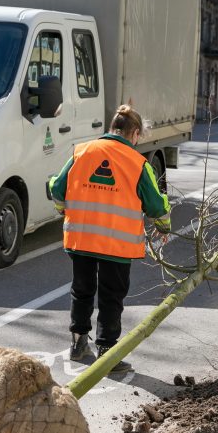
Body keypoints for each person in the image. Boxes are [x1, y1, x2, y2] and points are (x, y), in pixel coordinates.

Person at [48, 104, 171, 374]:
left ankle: (78, 344)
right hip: (116, 243)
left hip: (81, 238)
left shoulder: (82, 151)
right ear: (134, 132)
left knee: (81, 290)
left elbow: (57, 187)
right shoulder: (137, 163)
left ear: (112, 128)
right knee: (111, 296)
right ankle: (107, 351)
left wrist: (63, 208)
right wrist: (164, 225)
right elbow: (155, 206)